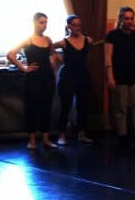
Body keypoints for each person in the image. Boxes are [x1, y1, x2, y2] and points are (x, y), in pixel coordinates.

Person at [7, 13, 58, 149]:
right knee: (32, 108)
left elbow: (53, 53)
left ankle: (46, 139)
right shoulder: (28, 40)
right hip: (33, 78)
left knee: (46, 108)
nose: (44, 25)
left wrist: (53, 61)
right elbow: (10, 54)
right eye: (41, 22)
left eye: (46, 22)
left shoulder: (48, 39)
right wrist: (24, 68)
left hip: (48, 78)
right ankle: (32, 141)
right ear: (34, 23)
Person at [105, 6, 135, 146]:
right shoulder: (112, 35)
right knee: (121, 108)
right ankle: (122, 135)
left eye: (131, 18)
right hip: (119, 74)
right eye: (126, 18)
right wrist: (110, 76)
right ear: (121, 19)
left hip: (134, 74)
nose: (129, 21)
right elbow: (108, 57)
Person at [56, 14, 94, 146]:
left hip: (83, 75)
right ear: (69, 26)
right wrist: (58, 58)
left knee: (83, 106)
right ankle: (62, 136)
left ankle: (82, 134)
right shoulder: (63, 42)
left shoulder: (88, 40)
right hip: (67, 76)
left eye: (79, 25)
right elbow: (49, 47)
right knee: (65, 106)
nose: (78, 27)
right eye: (75, 25)